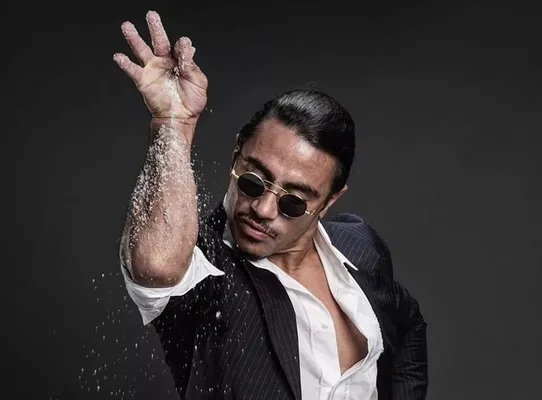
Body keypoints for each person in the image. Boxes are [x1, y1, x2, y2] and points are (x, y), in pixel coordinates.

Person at [115, 10, 428, 400]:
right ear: (237, 155)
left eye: (293, 202)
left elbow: (407, 323)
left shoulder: (359, 245)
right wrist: (173, 125)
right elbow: (157, 265)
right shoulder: (206, 273)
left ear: (329, 201)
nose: (262, 209)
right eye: (253, 181)